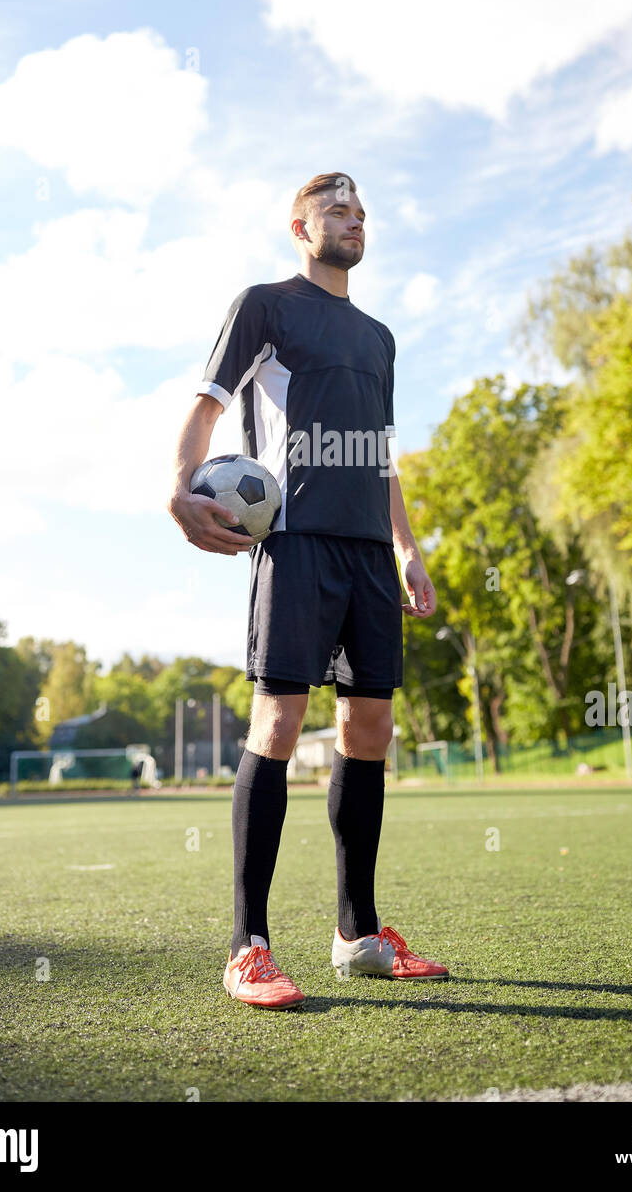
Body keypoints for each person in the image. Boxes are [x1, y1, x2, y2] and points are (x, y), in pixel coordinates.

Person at [167, 172, 449, 1009]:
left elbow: (382, 454)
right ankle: (247, 947)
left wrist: (408, 547)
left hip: (368, 553)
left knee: (370, 729)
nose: (353, 222)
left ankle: (357, 936)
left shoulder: (380, 337)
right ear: (299, 225)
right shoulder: (264, 305)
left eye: (361, 213)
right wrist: (178, 488)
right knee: (279, 720)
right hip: (293, 542)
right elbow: (207, 407)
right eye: (336, 211)